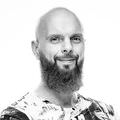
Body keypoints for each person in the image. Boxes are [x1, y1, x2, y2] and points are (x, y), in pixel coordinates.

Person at [0, 7, 117, 120]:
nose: (68, 47)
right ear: (36, 49)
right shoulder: (17, 116)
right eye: (55, 39)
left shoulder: (104, 112)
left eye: (75, 38)